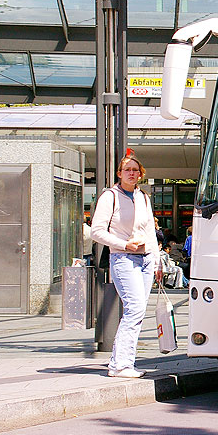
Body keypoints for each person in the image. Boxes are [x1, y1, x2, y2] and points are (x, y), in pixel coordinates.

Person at [90, 152, 161, 379]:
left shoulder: (143, 197)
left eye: (135, 170)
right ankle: (120, 365)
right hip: (123, 258)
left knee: (138, 311)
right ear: (119, 174)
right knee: (134, 309)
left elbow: (150, 231)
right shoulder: (110, 197)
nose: (132, 173)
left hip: (146, 258)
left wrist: (158, 260)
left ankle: (121, 362)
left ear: (141, 174)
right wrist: (124, 244)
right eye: (127, 170)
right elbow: (97, 231)